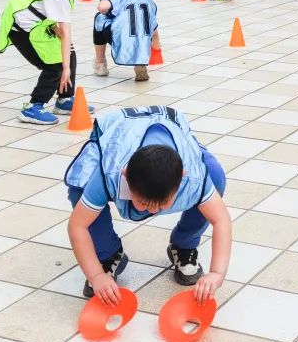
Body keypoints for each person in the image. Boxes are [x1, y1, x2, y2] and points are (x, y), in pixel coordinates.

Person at [64, 105, 233, 303]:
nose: (152, 210)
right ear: (126, 176)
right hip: (117, 128)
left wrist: (217, 273)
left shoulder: (193, 177)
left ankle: (184, 245)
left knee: (216, 177)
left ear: (181, 178)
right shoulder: (110, 172)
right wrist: (96, 276)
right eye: (144, 202)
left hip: (169, 122)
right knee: (80, 184)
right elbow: (77, 225)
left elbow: (221, 220)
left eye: (162, 204)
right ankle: (107, 254)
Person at [0, 0, 106, 125]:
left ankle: (64, 100)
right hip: (20, 26)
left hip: (36, 21)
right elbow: (66, 31)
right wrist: (65, 68)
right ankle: (33, 107)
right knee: (55, 66)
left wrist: (66, 59)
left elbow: (62, 32)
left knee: (69, 51)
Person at [93, 0, 160, 82]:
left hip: (122, 39)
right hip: (142, 44)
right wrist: (156, 47)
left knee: (99, 18)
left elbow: (102, 7)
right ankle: (140, 64)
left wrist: (110, 11)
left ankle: (100, 63)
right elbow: (153, 27)